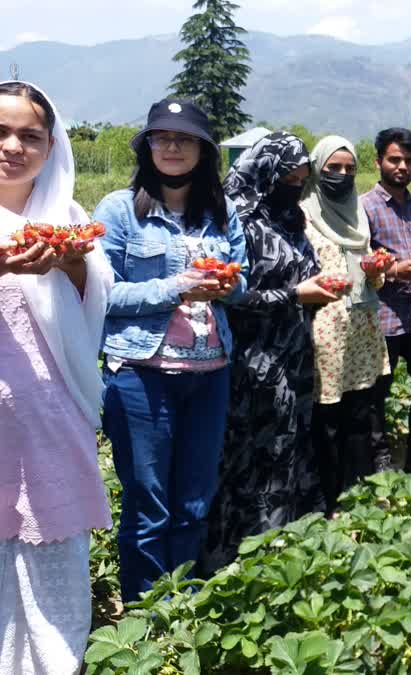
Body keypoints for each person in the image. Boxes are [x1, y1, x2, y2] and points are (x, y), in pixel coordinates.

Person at [93, 98, 247, 599]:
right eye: (162, 137)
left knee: (195, 502)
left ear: (203, 150)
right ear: (148, 147)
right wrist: (173, 288)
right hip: (142, 374)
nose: (173, 147)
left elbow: (242, 284)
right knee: (148, 503)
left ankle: (183, 611)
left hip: (210, 373)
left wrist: (227, 287)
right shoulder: (120, 210)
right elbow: (102, 294)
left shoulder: (221, 213)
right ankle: (144, 614)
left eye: (184, 139)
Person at [0, 81, 114, 673]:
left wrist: (72, 262)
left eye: (29, 136)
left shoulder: (65, 218)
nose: (13, 146)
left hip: (49, 416)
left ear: (50, 148)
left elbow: (92, 300)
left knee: (52, 563)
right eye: (1, 132)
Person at [203, 131, 330, 572]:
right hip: (251, 360)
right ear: (266, 172)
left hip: (293, 351)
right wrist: (296, 295)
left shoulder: (290, 218)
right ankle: (233, 558)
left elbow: (304, 272)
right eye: (288, 177)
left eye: (300, 177)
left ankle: (278, 549)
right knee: (246, 457)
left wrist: (319, 288)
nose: (295, 185)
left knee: (288, 448)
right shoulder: (233, 220)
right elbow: (232, 296)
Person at [300, 136, 391, 515]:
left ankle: (357, 492)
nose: (341, 176)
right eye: (332, 168)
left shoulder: (358, 216)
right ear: (317, 169)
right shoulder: (302, 215)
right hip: (325, 334)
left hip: (362, 329)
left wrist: (378, 271)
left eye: (349, 169)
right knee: (327, 419)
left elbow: (373, 276)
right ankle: (327, 500)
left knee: (359, 412)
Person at [363, 128, 411, 474]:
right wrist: (395, 269)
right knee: (379, 390)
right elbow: (361, 262)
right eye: (394, 159)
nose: (402, 166)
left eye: (408, 160)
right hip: (383, 313)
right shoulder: (365, 207)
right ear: (379, 161)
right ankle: (378, 455)